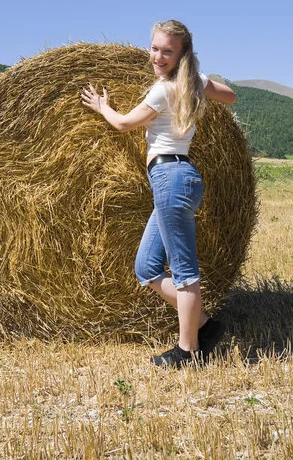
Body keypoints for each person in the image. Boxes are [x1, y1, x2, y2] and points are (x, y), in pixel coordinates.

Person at [80, 19, 237, 368]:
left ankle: (188, 351)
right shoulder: (191, 84)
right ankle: (205, 326)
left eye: (168, 51)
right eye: (155, 48)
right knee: (146, 268)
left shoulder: (163, 90)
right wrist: (198, 80)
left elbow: (122, 124)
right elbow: (230, 95)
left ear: (181, 54)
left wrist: (102, 106)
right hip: (181, 178)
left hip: (171, 178)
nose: (158, 56)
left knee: (184, 272)